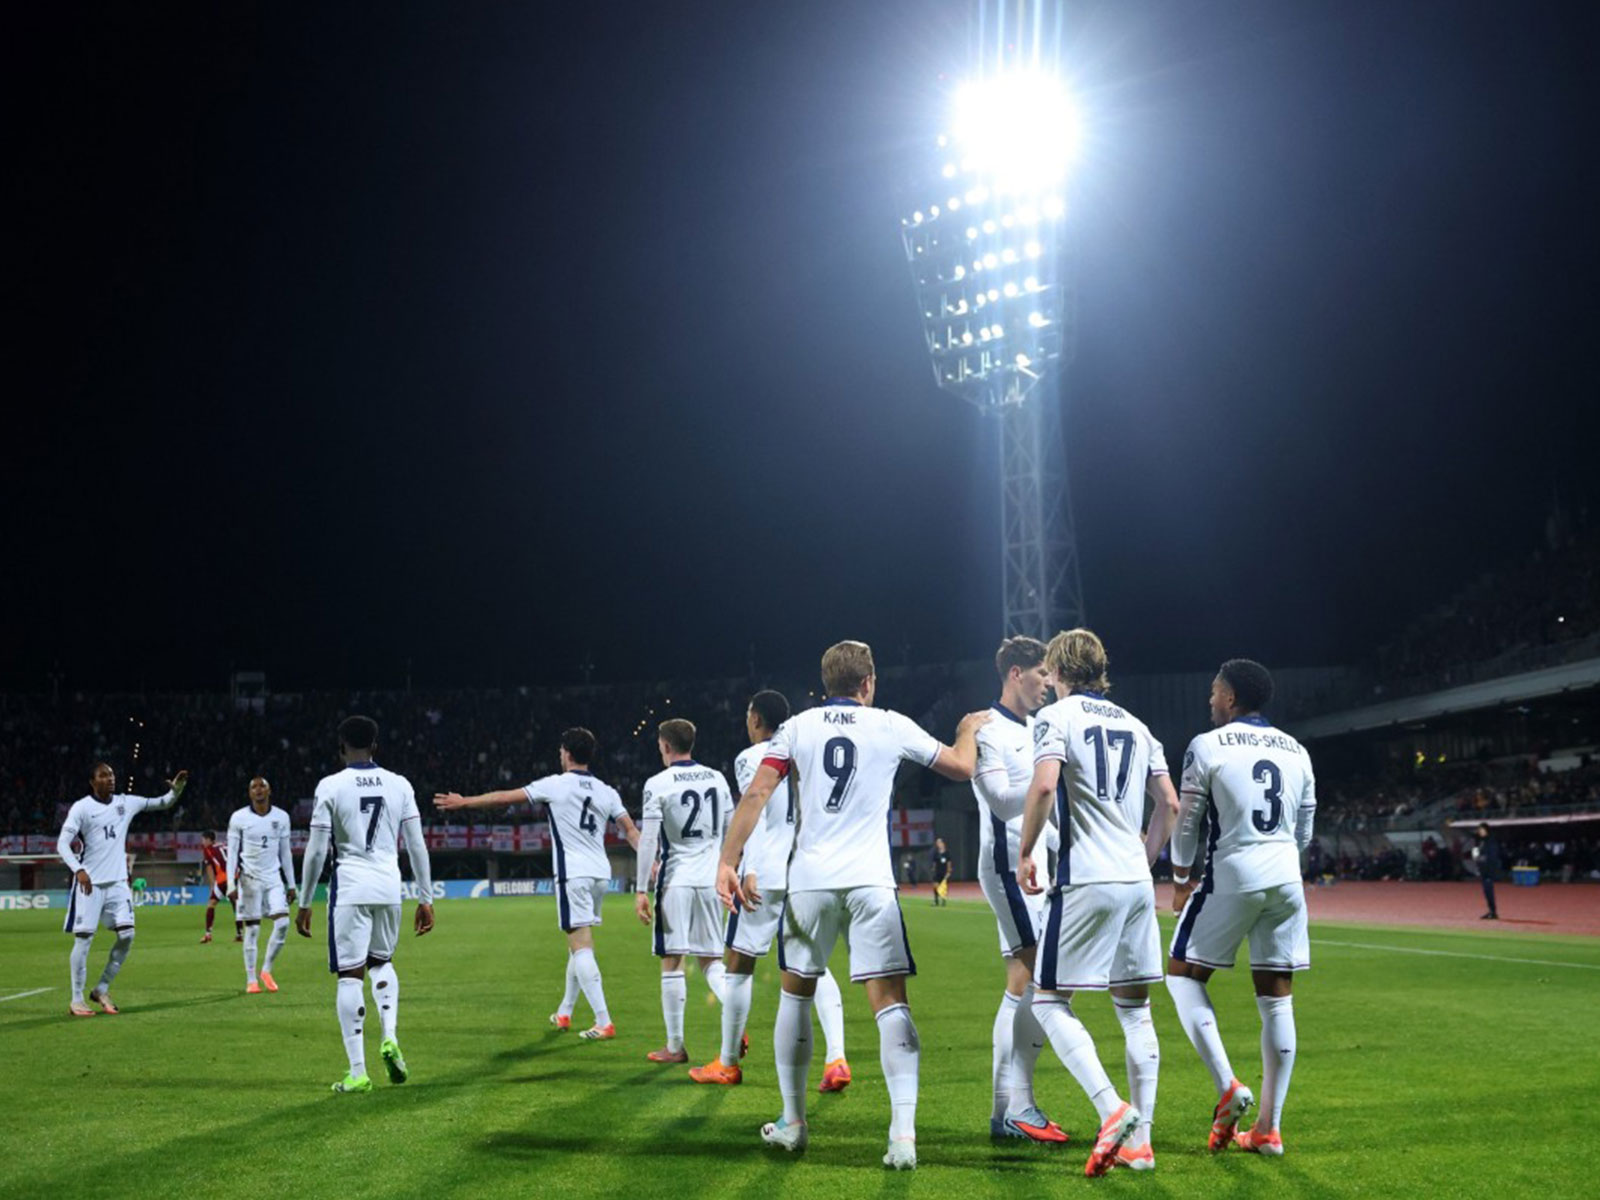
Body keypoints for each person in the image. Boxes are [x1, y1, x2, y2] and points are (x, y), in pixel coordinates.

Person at [717, 640, 990, 1170]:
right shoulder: (889, 723)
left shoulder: (797, 727)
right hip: (870, 881)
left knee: (795, 998)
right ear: (868, 683)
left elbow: (757, 794)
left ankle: (793, 1125)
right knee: (891, 1004)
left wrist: (727, 861)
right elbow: (960, 766)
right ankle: (903, 1136)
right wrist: (968, 730)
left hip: (810, 883)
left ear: (827, 684)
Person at [1019, 629, 1176, 1176]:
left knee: (1048, 1001)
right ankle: (1142, 1143)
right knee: (1135, 1011)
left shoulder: (1056, 718)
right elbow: (1170, 804)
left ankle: (1112, 1111)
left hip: (1086, 877)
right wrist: (1148, 856)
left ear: (1058, 671)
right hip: (1136, 882)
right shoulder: (1138, 725)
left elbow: (1042, 788)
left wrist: (1026, 851)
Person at [1164, 659, 1316, 1160]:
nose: (1209, 701)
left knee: (1181, 974)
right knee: (1277, 998)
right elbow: (1305, 831)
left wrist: (1182, 878)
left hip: (1235, 872)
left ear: (1230, 697)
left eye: (1214, 692)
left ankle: (1227, 1085)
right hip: (1286, 878)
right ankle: (1269, 1130)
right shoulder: (1298, 750)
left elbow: (1187, 822)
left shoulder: (1207, 744)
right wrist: (1285, 865)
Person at [689, 690, 850, 1090]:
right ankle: (837, 1058)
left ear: (757, 719)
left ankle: (727, 1063)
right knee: (813, 966)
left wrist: (751, 867)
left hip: (768, 873)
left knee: (739, 964)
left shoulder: (751, 758)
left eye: (748, 714)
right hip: (809, 873)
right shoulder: (807, 753)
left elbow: (757, 808)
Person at [435, 727, 641, 1039]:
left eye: (561, 751)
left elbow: (505, 797)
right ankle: (565, 1012)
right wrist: (651, 861)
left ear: (567, 754)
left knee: (581, 945)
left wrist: (465, 803)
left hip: (574, 873)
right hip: (601, 873)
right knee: (577, 943)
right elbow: (630, 830)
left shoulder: (555, 785)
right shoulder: (606, 790)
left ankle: (604, 1021)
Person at [295, 716, 434, 1094]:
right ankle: (390, 1036)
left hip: (351, 888)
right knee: (382, 963)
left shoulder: (330, 786)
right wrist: (426, 897)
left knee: (349, 975)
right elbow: (417, 845)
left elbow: (317, 850)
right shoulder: (399, 784)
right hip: (390, 888)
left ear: (341, 747)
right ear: (376, 746)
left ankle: (358, 1072)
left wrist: (305, 901)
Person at [971, 635, 1066, 1144]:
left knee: (1026, 982)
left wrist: (1065, 841)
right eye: (1041, 674)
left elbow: (1041, 814)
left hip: (1036, 868)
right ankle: (1014, 1108)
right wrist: (1045, 779)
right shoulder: (987, 730)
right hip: (1007, 867)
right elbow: (1006, 803)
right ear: (1015, 674)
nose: (1049, 684)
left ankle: (1007, 1112)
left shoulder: (1034, 728)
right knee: (1031, 978)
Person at [635, 718, 735, 1063]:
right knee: (711, 962)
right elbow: (731, 830)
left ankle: (675, 1047)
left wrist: (640, 889)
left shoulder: (657, 783)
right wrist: (727, 870)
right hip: (711, 880)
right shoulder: (717, 778)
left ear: (665, 746)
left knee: (672, 961)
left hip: (676, 879)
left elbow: (649, 839)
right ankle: (737, 1014)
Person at [57, 763, 188, 1017]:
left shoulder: (126, 802)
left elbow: (162, 802)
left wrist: (177, 790)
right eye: (103, 776)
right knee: (84, 940)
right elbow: (63, 843)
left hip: (118, 883)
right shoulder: (82, 808)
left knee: (127, 936)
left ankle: (101, 988)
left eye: (112, 775)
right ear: (92, 782)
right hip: (90, 885)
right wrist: (78, 869)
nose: (110, 779)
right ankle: (76, 1000)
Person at [226, 777, 296, 993]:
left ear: (269, 790)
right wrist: (231, 884)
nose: (258, 790)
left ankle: (266, 970)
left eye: (262, 786)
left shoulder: (282, 817)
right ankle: (251, 980)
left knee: (283, 923)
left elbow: (285, 852)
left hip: (274, 879)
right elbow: (232, 854)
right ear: (249, 793)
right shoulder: (239, 818)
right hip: (249, 880)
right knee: (253, 929)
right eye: (254, 787)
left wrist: (291, 884)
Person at [199, 830, 242, 943]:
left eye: (203, 839)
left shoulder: (208, 849)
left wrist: (213, 885)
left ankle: (208, 935)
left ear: (209, 840)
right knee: (235, 904)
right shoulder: (224, 844)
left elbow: (209, 868)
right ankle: (239, 934)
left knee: (211, 904)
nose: (202, 842)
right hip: (235, 876)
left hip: (223, 878)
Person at [1472, 823, 1501, 919]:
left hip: (1489, 870)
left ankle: (1493, 912)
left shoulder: (1491, 841)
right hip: (1484, 870)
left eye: (1482, 830)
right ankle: (1491, 911)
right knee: (1486, 892)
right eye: (1479, 830)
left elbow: (1491, 856)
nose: (1480, 832)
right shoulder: (1481, 841)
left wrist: (1480, 858)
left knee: (1489, 891)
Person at [930, 838, 952, 906]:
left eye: (939, 843)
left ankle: (943, 901)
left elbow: (949, 862)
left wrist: (949, 871)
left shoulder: (947, 853)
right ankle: (936, 900)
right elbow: (934, 862)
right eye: (937, 843)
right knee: (935, 886)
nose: (938, 844)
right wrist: (933, 868)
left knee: (943, 887)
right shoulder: (936, 853)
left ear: (943, 843)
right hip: (937, 872)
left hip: (944, 872)